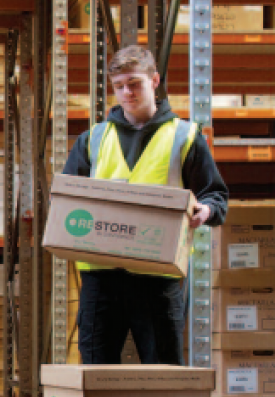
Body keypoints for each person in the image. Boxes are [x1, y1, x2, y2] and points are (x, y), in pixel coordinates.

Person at [62, 45, 228, 365]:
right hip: (101, 278)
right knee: (97, 374)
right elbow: (67, 200)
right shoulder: (93, 139)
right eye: (119, 86)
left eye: (134, 83)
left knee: (163, 373)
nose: (126, 92)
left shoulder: (185, 136)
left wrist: (204, 211)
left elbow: (215, 195)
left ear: (155, 81)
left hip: (157, 276)